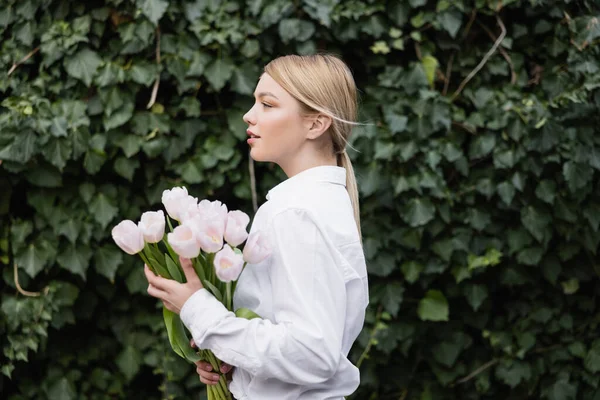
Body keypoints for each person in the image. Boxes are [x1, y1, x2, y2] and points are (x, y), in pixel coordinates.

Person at [144, 53, 369, 399]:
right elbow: (291, 339)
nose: (249, 115)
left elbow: (313, 354)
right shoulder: (316, 203)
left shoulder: (296, 212)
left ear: (315, 124)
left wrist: (199, 310)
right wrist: (234, 363)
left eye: (267, 104)